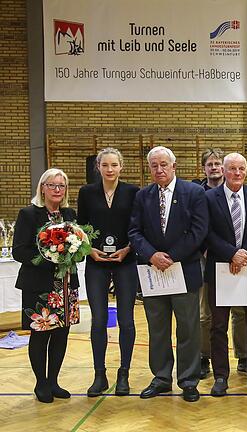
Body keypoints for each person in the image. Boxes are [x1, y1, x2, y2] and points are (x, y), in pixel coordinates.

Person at [128, 146, 209, 403]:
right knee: (158, 329)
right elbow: (134, 232)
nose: (159, 169)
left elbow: (199, 231)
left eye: (164, 164)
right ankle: (161, 378)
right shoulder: (143, 196)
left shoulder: (194, 192)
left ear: (174, 166)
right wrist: (152, 255)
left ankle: (188, 380)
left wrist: (171, 256)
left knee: (188, 329)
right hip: (153, 273)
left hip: (183, 270)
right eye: (154, 165)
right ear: (149, 168)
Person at [205, 153, 247, 396]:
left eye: (241, 168)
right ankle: (221, 376)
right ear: (223, 170)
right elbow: (206, 231)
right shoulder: (210, 197)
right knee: (218, 325)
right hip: (220, 267)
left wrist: (244, 254)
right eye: (232, 168)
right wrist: (232, 254)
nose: (238, 173)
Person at [77, 148, 139, 397]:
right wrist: (89, 250)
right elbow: (81, 226)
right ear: (98, 167)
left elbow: (139, 225)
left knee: (126, 320)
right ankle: (99, 375)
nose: (110, 169)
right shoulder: (87, 192)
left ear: (121, 167)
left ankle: (124, 374)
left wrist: (128, 249)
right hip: (96, 262)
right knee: (99, 320)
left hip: (126, 260)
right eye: (105, 165)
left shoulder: (133, 192)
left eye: (114, 165)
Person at [14, 169, 79, 403]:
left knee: (62, 334)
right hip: (39, 285)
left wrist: (75, 253)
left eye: (62, 186)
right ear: (42, 187)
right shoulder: (29, 214)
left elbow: (79, 247)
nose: (57, 190)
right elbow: (19, 250)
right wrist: (48, 258)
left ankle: (54, 381)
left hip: (66, 285)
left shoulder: (69, 214)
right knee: (40, 334)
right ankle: (41, 383)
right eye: (53, 185)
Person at [194, 148, 247, 378]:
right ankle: (204, 356)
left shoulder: (242, 192)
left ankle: (243, 355)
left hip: (238, 260)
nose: (214, 168)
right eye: (210, 164)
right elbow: (199, 229)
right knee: (206, 313)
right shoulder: (199, 194)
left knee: (239, 310)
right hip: (208, 258)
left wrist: (236, 255)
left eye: (217, 164)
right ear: (204, 168)